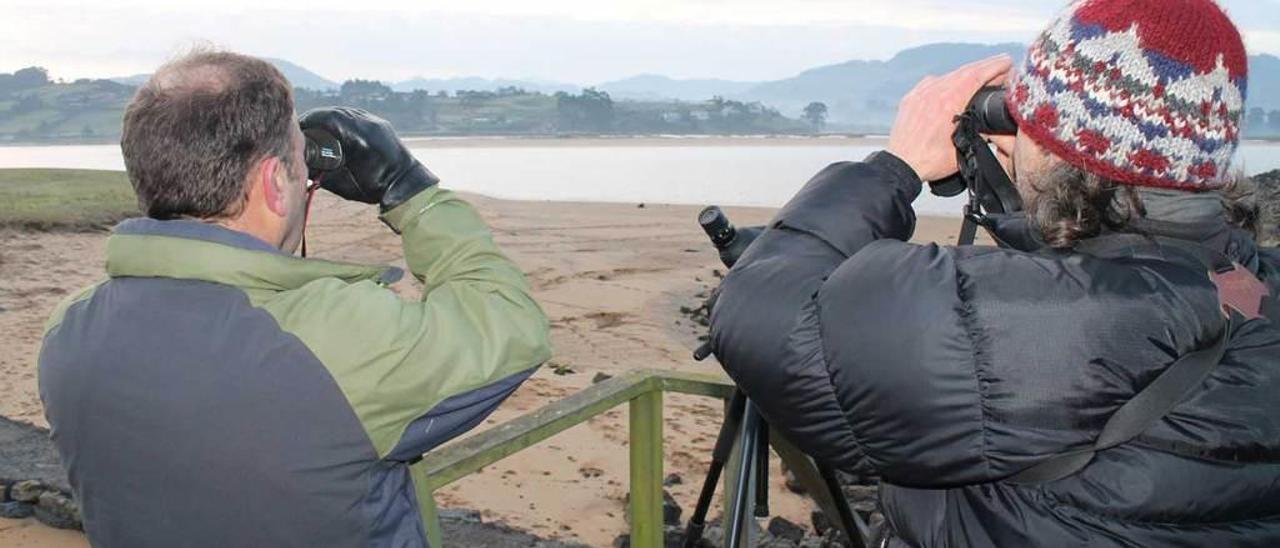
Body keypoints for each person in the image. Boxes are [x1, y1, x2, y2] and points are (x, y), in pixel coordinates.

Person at [709, 0, 1280, 545]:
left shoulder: (1025, 326)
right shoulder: (1254, 283)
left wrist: (894, 168)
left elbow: (762, 310)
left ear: (1066, 149)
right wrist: (1039, 198)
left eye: (1027, 116)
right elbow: (1099, 272)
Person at [37, 51, 551, 547]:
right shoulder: (336, 341)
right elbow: (508, 322)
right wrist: (407, 187)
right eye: (298, 165)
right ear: (273, 184)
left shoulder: (70, 329)